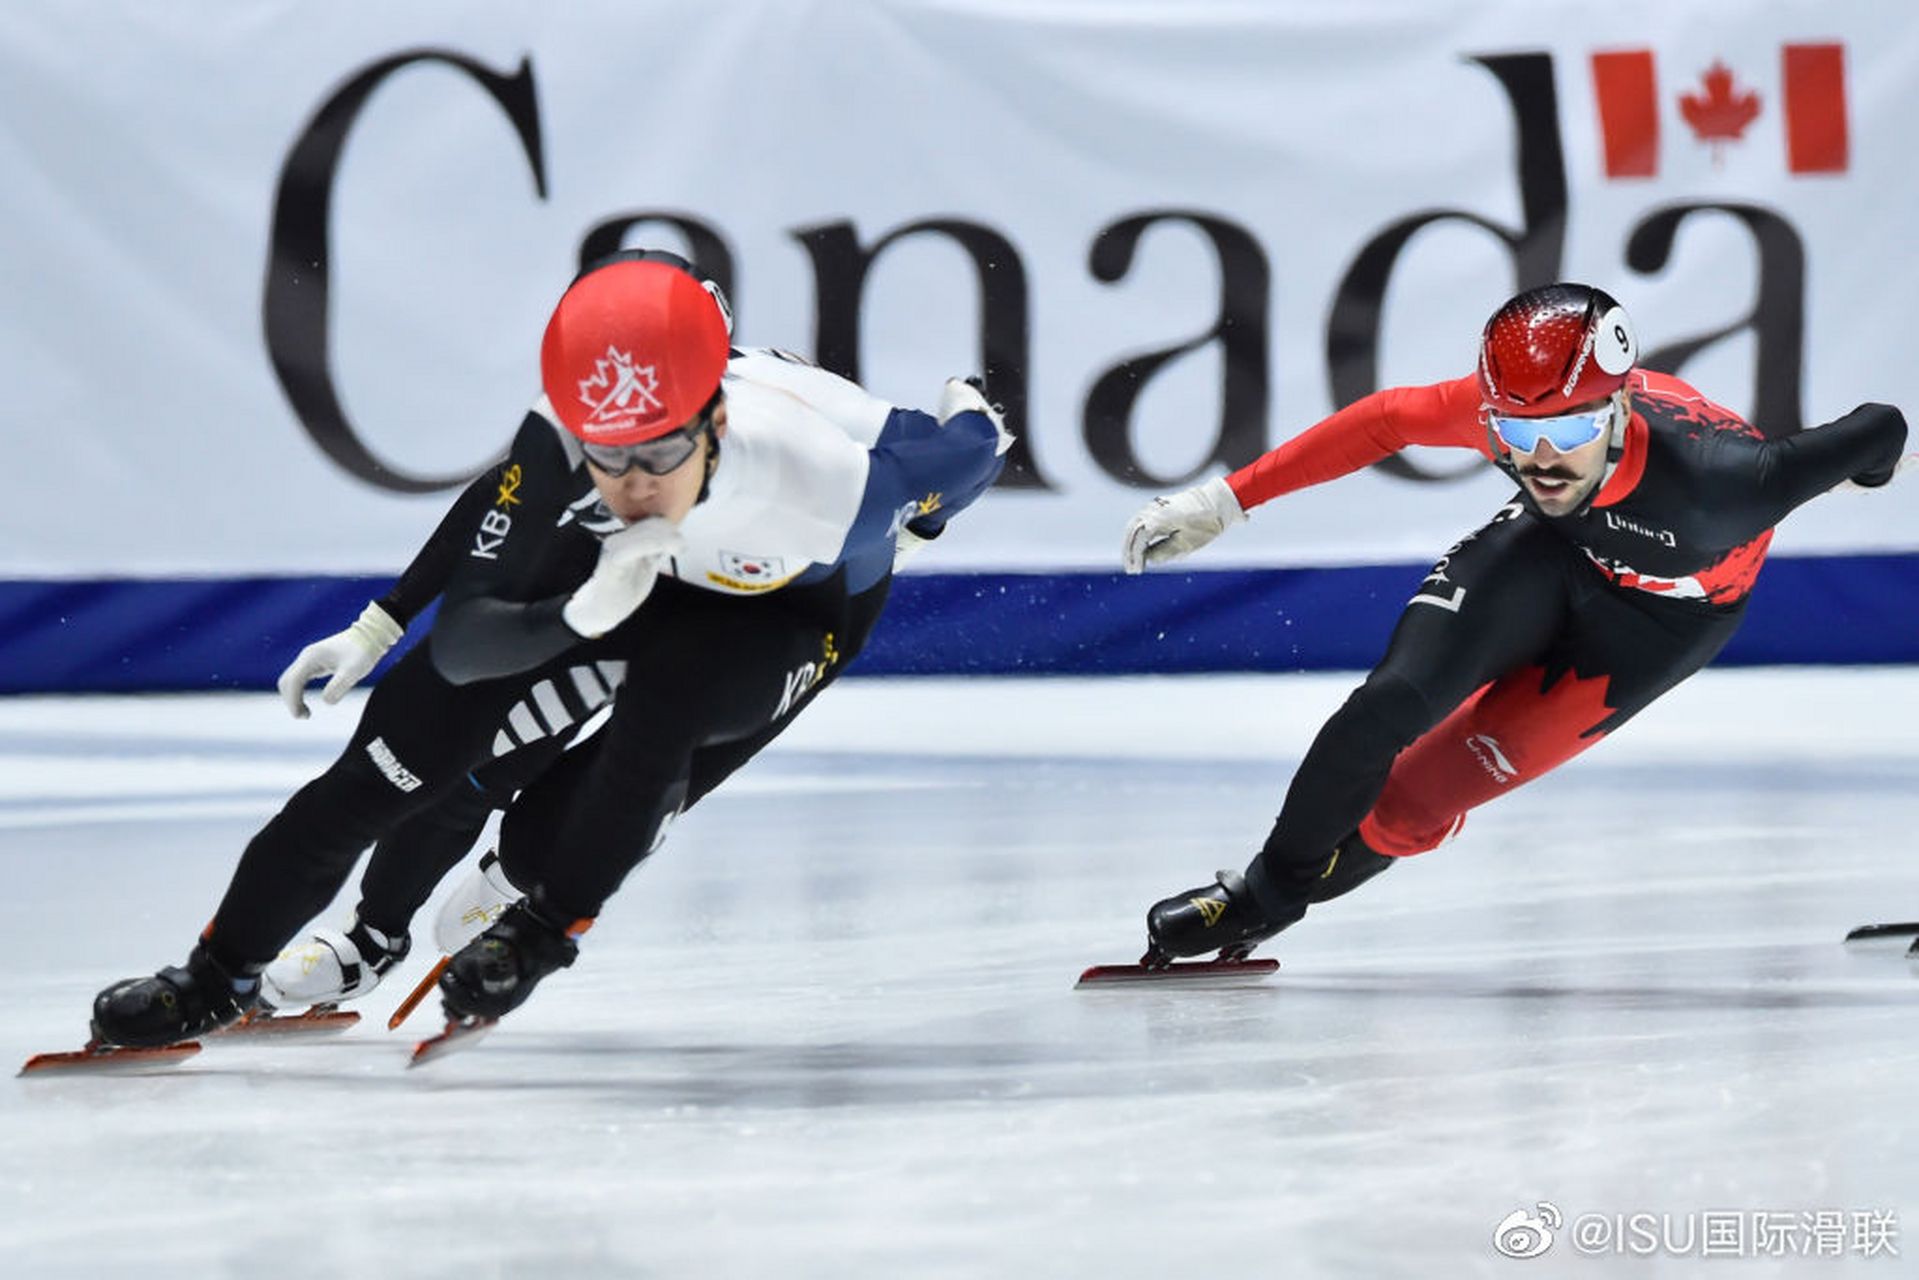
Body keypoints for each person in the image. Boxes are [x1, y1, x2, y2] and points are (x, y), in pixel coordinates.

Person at [88, 251, 1009, 1045]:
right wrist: (402, 620)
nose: (631, 484)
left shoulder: (827, 483)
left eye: (657, 457)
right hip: (618, 573)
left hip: (778, 603)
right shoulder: (574, 435)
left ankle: (534, 918)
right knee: (394, 764)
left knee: (645, 737)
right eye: (605, 458)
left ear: (716, 419)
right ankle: (216, 978)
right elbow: (470, 632)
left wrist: (965, 427)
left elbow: (967, 452)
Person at [1120, 282, 1909, 964]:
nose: (1539, 461)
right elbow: (1381, 421)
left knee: (1408, 807)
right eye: (1515, 436)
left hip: (1658, 625)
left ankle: (1297, 882)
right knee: (1387, 705)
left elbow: (1881, 423)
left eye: (1566, 434)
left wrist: (1862, 470)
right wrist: (1224, 502)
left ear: (1620, 405)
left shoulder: (1727, 484)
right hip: (1550, 550)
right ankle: (1265, 893)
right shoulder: (1509, 421)